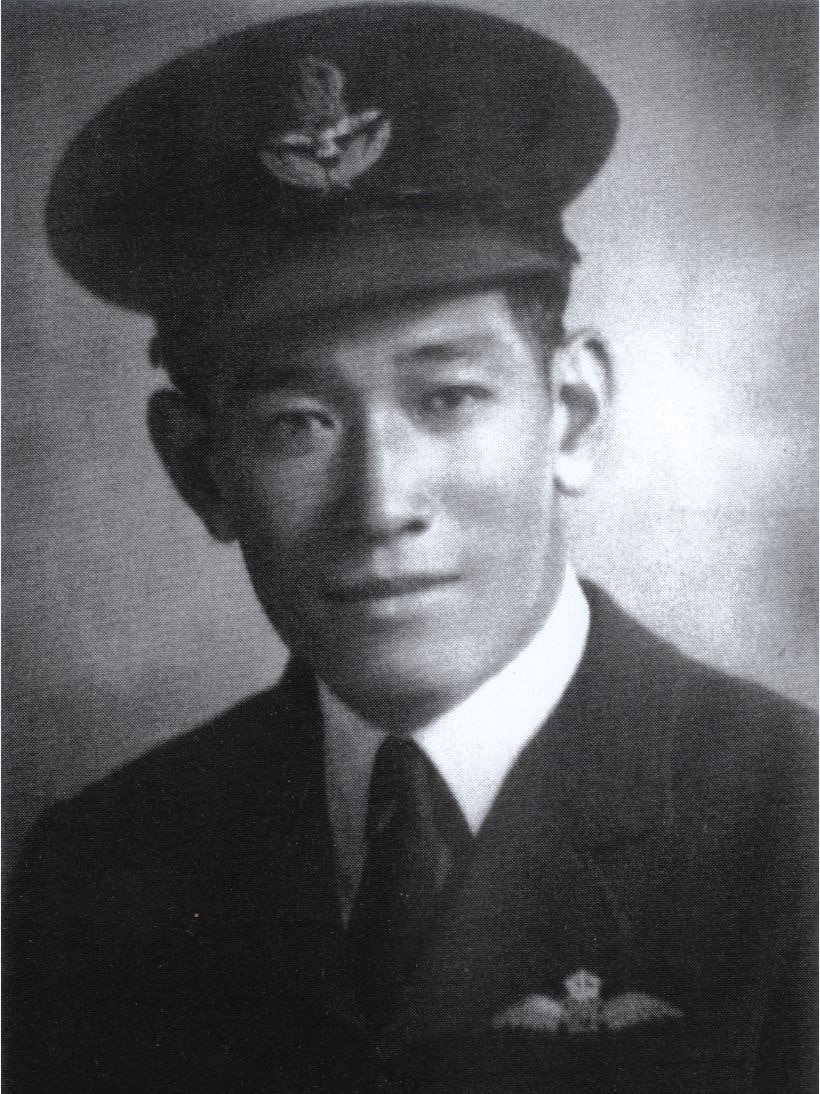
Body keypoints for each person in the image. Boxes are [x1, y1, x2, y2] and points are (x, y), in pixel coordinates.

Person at [7, 4, 815, 1093]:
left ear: (569, 413)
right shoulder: (102, 869)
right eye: (299, 422)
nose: (381, 501)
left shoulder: (791, 832)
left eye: (446, 396)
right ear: (200, 470)